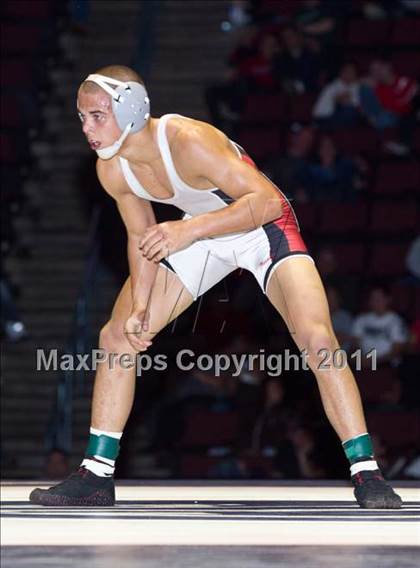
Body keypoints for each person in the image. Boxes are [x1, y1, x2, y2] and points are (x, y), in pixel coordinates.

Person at [29, 65, 402, 508]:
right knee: (117, 336)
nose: (86, 128)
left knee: (318, 339)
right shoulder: (112, 169)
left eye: (95, 115)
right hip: (201, 233)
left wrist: (191, 231)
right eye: (81, 117)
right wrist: (142, 308)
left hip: (259, 226)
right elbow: (138, 236)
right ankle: (96, 473)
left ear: (130, 108)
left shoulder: (187, 140)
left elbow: (267, 201)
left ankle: (367, 473)